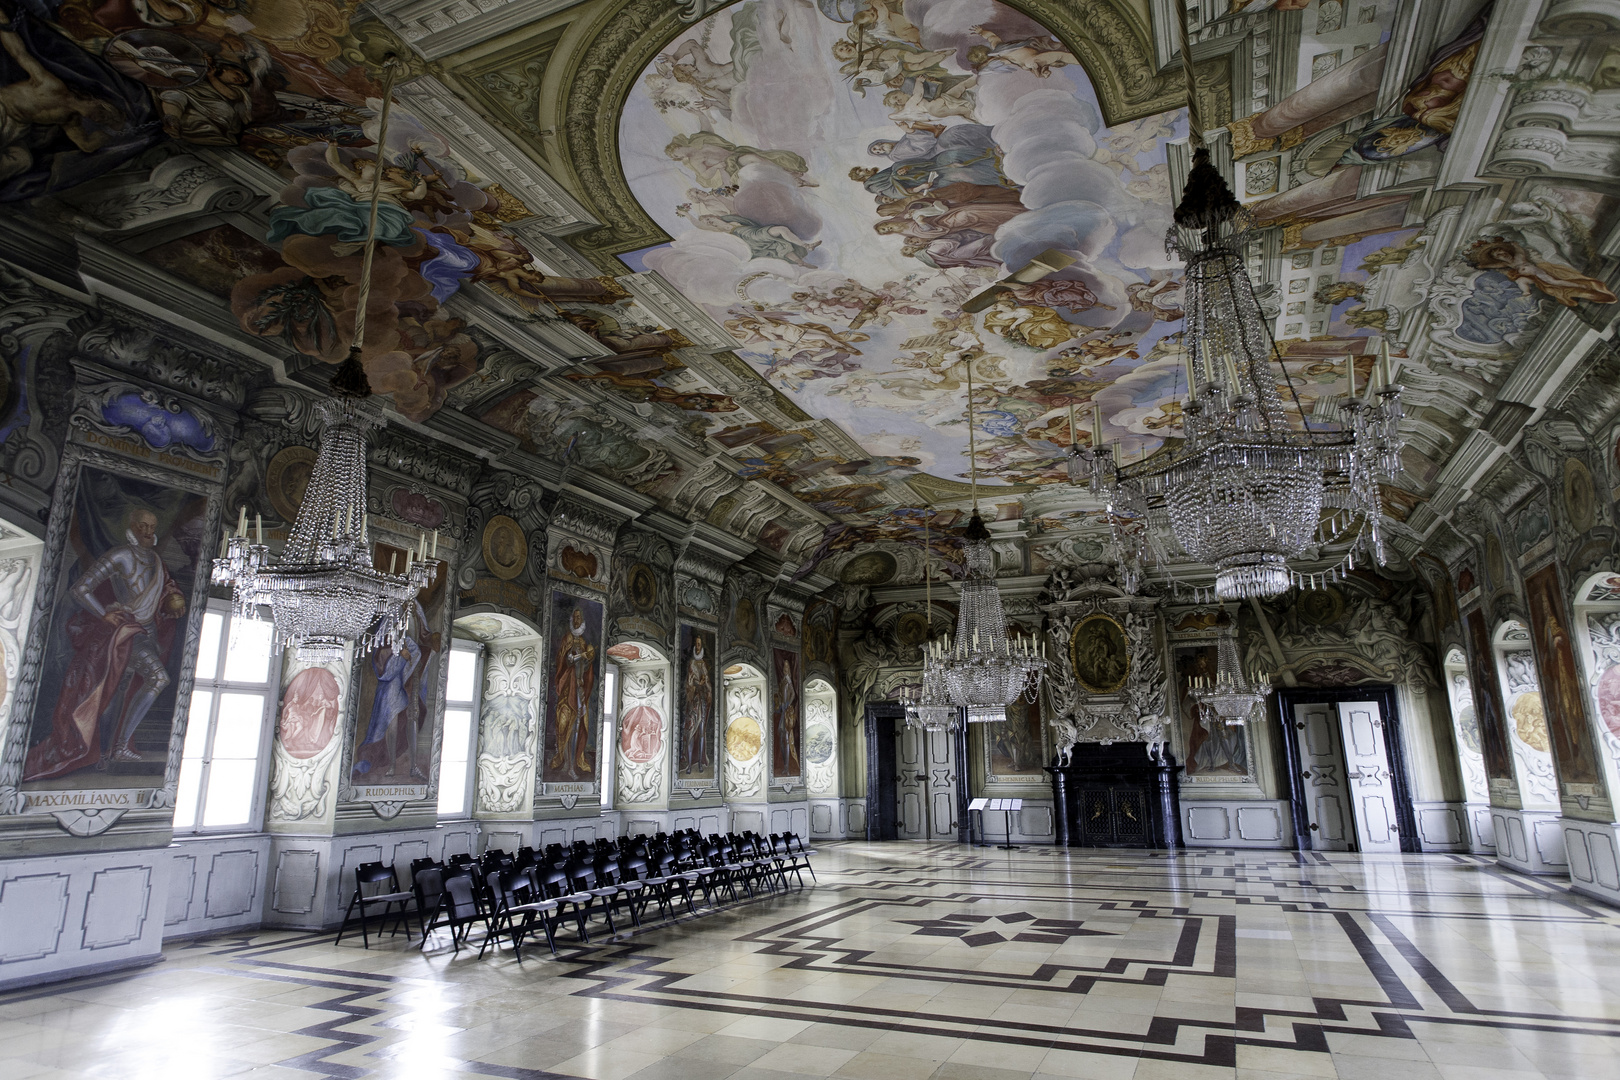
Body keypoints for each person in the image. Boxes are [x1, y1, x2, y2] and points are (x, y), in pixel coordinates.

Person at [23, 507, 187, 780]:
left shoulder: (157, 562)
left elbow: (167, 588)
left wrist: (174, 598)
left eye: (152, 527)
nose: (148, 532)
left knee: (117, 693)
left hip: (147, 634)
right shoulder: (121, 555)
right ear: (132, 526)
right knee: (158, 678)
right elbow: (81, 588)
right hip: (123, 633)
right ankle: (118, 746)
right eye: (143, 526)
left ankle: (109, 748)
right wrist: (104, 614)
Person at [548, 606, 596, 779]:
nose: (576, 620)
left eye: (579, 617)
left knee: (578, 727)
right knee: (565, 725)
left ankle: (574, 763)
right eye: (574, 617)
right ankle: (565, 761)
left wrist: (588, 658)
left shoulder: (583, 643)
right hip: (568, 690)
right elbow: (565, 661)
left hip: (579, 689)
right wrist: (578, 657)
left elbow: (586, 669)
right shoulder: (567, 639)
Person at [683, 634, 712, 773]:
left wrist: (705, 686)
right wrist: (696, 683)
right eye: (697, 644)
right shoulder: (692, 664)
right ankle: (689, 764)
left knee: (701, 733)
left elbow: (707, 684)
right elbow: (688, 683)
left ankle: (700, 762)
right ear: (695, 646)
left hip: (702, 701)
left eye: (700, 644)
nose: (698, 646)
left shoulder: (703, 665)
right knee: (691, 733)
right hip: (693, 702)